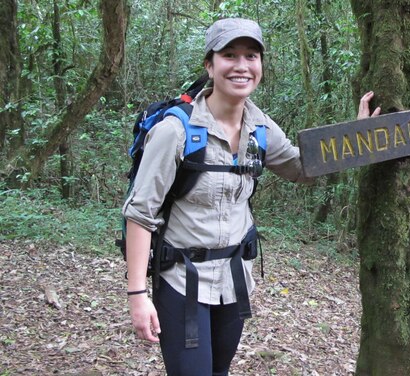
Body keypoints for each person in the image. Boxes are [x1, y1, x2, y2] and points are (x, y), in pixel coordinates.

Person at [123, 17, 381, 376]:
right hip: (183, 280)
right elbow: (140, 213)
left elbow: (301, 167)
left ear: (260, 66)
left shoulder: (260, 127)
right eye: (229, 55)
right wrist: (138, 296)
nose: (242, 66)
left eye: (251, 56)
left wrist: (356, 136)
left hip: (234, 280)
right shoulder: (175, 132)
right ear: (210, 65)